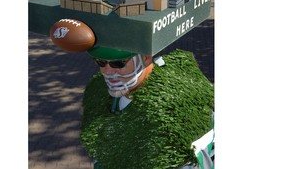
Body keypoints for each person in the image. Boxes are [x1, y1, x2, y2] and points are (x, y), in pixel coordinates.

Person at [80, 45, 214, 169]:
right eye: (101, 62)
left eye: (119, 63)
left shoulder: (171, 109)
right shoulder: (98, 91)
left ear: (146, 57)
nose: (108, 71)